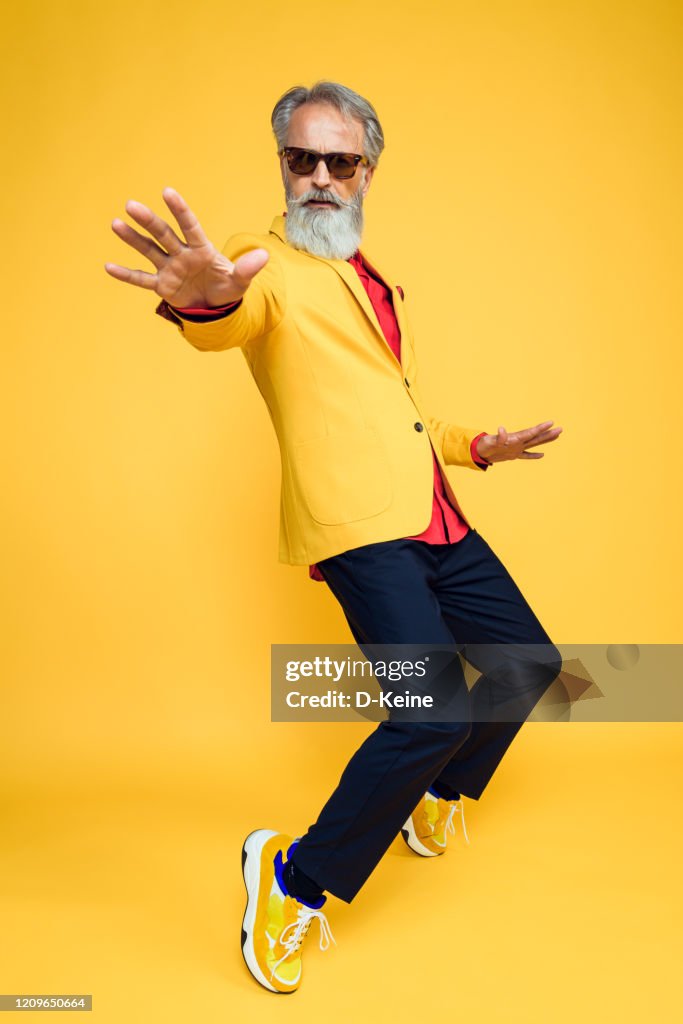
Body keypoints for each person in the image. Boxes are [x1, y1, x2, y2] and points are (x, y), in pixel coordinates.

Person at [105, 80, 564, 995]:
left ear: (367, 171)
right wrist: (198, 303)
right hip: (359, 530)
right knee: (431, 710)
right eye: (300, 159)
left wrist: (477, 446)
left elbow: (396, 417)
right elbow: (226, 316)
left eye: (339, 161)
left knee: (530, 664)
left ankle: (434, 795)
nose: (318, 176)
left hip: (434, 512)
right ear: (281, 165)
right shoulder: (258, 261)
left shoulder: (372, 277)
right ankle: (293, 879)